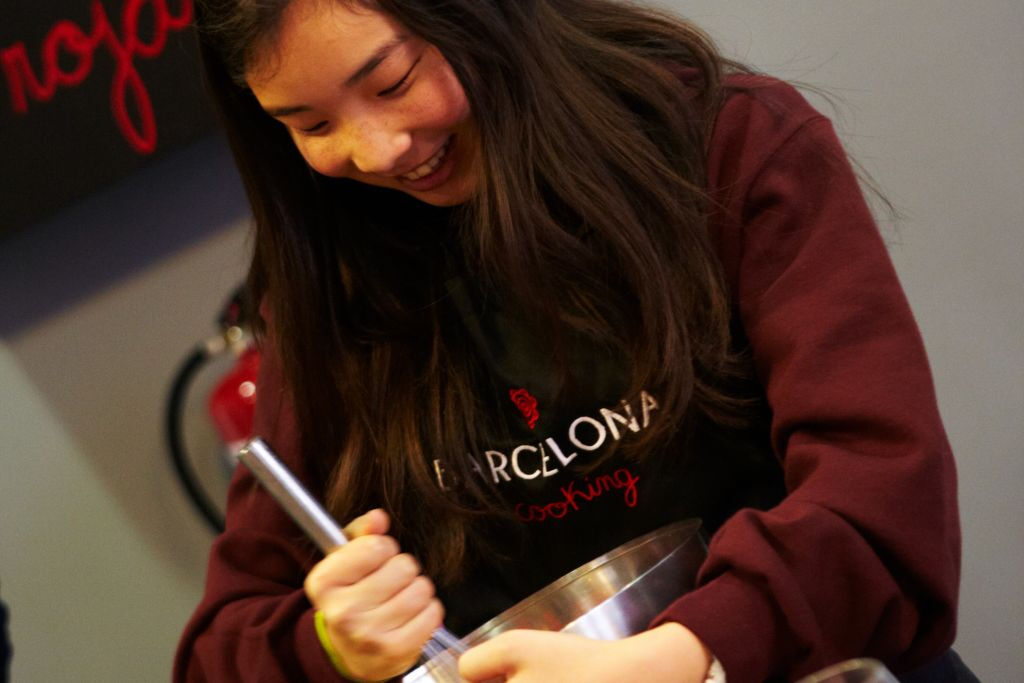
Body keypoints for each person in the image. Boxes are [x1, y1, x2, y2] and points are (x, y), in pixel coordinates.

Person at [176, 0, 965, 681]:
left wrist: (689, 652)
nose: (378, 149)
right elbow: (219, 649)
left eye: (393, 83)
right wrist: (333, 645)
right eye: (310, 124)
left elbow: (881, 498)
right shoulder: (332, 289)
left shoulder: (726, 146)